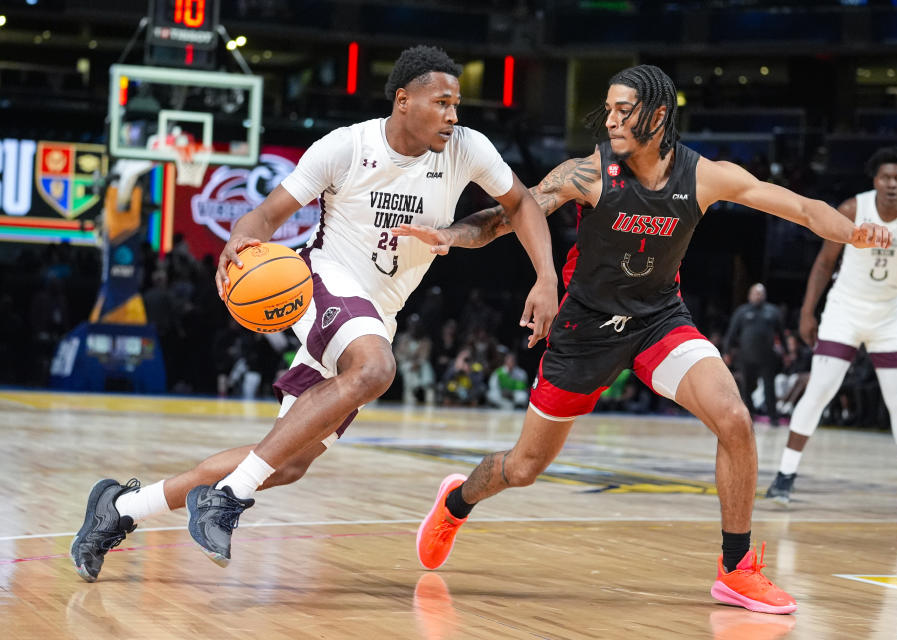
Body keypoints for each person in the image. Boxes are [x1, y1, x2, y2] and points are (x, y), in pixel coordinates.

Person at [395, 64, 889, 614]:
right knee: (524, 468)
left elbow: (797, 206)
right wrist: (449, 236)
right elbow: (508, 214)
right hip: (584, 331)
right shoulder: (590, 173)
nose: (610, 119)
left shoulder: (703, 175)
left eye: (622, 110)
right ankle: (456, 502)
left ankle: (737, 569)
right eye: (607, 109)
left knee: (734, 418)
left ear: (657, 114)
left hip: (658, 321)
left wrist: (851, 232)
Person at [69, 45, 558, 582]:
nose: (453, 115)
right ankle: (228, 496)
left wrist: (545, 277)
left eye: (456, 104)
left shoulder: (466, 149)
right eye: (442, 103)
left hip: (378, 311)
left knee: (288, 463)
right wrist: (240, 246)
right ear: (404, 100)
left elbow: (521, 204)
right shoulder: (346, 147)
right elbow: (265, 214)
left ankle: (119, 509)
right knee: (375, 369)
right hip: (324, 282)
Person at [766, 147, 897, 516]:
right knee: (820, 389)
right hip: (845, 309)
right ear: (875, 181)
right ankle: (784, 476)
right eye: (885, 177)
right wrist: (808, 312)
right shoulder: (853, 209)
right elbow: (824, 264)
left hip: (890, 314)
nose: (892, 183)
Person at [724, 283, 785, 425]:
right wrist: (727, 351)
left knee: (769, 387)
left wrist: (786, 352)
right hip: (746, 356)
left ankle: (773, 418)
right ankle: (748, 415)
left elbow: (781, 334)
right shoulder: (742, 312)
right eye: (755, 293)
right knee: (746, 387)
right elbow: (732, 333)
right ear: (749, 295)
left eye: (761, 293)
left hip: (767, 357)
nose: (758, 296)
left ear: (765, 295)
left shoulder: (773, 312)